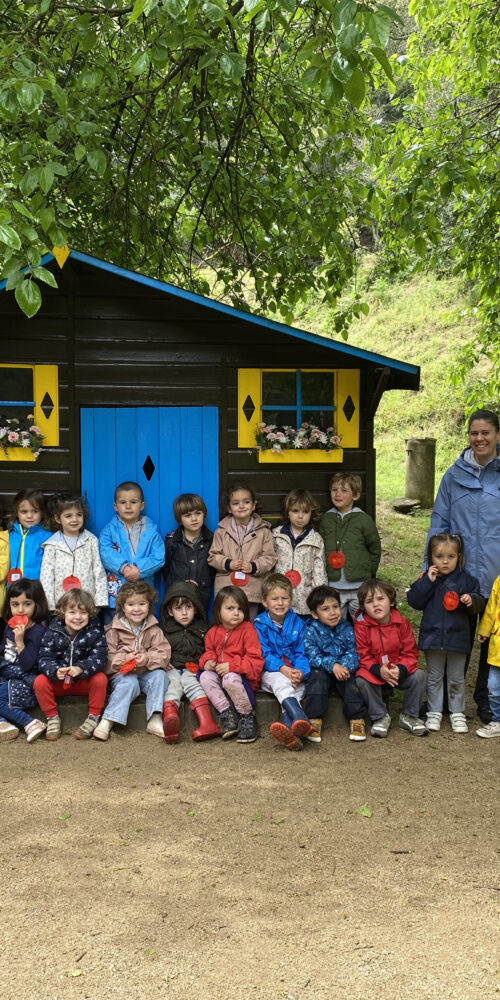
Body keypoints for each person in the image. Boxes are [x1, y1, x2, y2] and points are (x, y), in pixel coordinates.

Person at [425, 409, 500, 722]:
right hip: (460, 575)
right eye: (474, 433)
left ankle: (487, 701)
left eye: (485, 433)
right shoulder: (453, 476)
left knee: (494, 639)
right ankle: (445, 700)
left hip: (497, 575)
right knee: (457, 635)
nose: (479, 438)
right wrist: (428, 563)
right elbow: (439, 521)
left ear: (497, 435)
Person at [407, 533, 484, 733]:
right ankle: (434, 712)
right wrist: (427, 582)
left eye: (451, 556)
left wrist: (471, 600)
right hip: (433, 639)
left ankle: (457, 713)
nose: (445, 561)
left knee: (456, 678)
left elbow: (478, 603)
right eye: (439, 556)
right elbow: (414, 601)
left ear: (459, 557)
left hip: (457, 639)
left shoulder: (468, 581)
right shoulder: (427, 580)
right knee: (434, 677)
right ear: (430, 557)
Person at [93, 581, 171, 741]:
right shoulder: (113, 630)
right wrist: (124, 659)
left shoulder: (154, 629)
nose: (136, 609)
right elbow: (106, 659)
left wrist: (147, 659)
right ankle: (108, 719)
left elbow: (164, 653)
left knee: (160, 676)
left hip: (146, 672)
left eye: (142, 604)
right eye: (131, 604)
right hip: (123, 675)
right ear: (122, 607)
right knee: (129, 682)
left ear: (149, 606)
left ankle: (155, 717)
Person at [354, 578, 427, 738]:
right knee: (361, 680)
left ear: (392, 602)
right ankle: (380, 716)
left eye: (381, 599)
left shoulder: (402, 623)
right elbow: (363, 654)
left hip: (397, 671)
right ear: (363, 607)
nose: (376, 604)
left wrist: (400, 669)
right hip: (375, 672)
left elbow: (410, 652)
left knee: (419, 675)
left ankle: (409, 716)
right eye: (369, 601)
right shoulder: (361, 626)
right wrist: (378, 670)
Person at [35, 588, 108, 740]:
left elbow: (100, 657)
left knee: (100, 679)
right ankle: (52, 718)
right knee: (40, 681)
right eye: (72, 612)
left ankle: (93, 717)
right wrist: (55, 671)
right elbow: (44, 658)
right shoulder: (52, 632)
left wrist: (82, 668)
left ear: (90, 614)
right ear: (63, 612)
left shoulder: (95, 632)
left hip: (82, 681)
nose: (78, 617)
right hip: (59, 682)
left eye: (83, 612)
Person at [254, 572, 313, 751]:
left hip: (293, 672)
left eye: (285, 598)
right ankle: (300, 716)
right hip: (270, 673)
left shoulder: (299, 623)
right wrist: (282, 668)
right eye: (275, 599)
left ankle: (291, 733)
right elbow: (263, 654)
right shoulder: (259, 624)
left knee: (298, 688)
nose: (280, 603)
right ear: (265, 602)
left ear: (291, 600)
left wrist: (300, 672)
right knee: (281, 682)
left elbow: (302, 652)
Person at [199, 586, 263, 744]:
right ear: (218, 610)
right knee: (205, 677)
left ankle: (247, 716)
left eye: (240, 609)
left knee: (230, 678)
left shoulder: (248, 631)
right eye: (230, 608)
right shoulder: (213, 632)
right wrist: (208, 661)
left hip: (242, 679)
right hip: (221, 676)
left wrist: (232, 666)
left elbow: (255, 662)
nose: (236, 613)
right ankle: (228, 714)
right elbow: (209, 651)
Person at [303, 585, 366, 743]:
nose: (332, 612)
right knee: (316, 680)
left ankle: (357, 718)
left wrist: (344, 666)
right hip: (322, 669)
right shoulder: (311, 630)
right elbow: (312, 655)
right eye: (325, 609)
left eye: (335, 607)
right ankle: (314, 719)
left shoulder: (347, 627)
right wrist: (332, 665)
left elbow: (354, 651)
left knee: (351, 682)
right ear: (314, 614)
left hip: (343, 669)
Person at [159, 581, 220, 742]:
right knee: (172, 684)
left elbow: (211, 649)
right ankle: (170, 719)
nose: (184, 613)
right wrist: (162, 661)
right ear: (170, 611)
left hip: (194, 668)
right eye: (178, 608)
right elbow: (157, 648)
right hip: (172, 668)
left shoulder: (204, 628)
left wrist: (207, 661)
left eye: (188, 607)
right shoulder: (164, 630)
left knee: (190, 681)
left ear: (196, 608)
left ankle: (208, 723)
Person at [208, 482, 276, 620]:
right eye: (236, 503)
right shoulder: (221, 532)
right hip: (227, 589)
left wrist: (253, 566)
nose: (241, 506)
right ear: (229, 508)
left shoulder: (264, 532)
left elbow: (270, 557)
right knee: (227, 623)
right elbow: (212, 557)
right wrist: (228, 563)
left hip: (252, 590)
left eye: (246, 502)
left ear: (253, 505)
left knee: (248, 624)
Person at [320, 473, 381, 620]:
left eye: (344, 490)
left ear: (355, 495)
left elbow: (375, 548)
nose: (338, 494)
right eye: (334, 490)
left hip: (359, 585)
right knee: (335, 621)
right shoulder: (326, 519)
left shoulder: (363, 519)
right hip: (334, 585)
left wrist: (368, 573)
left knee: (361, 621)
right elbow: (320, 549)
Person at [99, 481, 164, 613]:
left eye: (133, 502)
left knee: (143, 620)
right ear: (115, 506)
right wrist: (123, 567)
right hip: (117, 591)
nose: (128, 506)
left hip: (143, 592)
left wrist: (139, 570)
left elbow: (158, 557)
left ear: (142, 505)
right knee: (115, 622)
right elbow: (105, 552)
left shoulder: (151, 531)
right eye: (123, 502)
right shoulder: (109, 530)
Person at [40, 493, 108, 611]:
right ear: (58, 519)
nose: (75, 519)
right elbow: (47, 577)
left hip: (87, 604)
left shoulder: (91, 540)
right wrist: (50, 606)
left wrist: (100, 601)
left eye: (79, 515)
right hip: (61, 605)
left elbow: (98, 571)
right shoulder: (52, 544)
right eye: (68, 516)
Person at [0, 578, 48, 743]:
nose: (20, 610)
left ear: (36, 605)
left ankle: (30, 723)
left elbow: (28, 665)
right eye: (15, 604)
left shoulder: (38, 631)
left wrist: (20, 642)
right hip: (6, 677)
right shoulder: (9, 626)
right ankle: (3, 724)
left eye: (27, 604)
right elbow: (4, 651)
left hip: (25, 682)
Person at [272, 489, 327, 616]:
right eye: (295, 511)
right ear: (287, 512)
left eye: (305, 512)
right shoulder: (276, 535)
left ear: (311, 513)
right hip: (279, 598)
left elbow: (319, 572)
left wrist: (318, 599)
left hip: (304, 600)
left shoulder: (316, 540)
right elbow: (269, 565)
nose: (300, 516)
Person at [162, 493, 215, 611]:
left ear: (204, 514)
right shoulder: (172, 542)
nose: (194, 519)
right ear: (179, 518)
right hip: (176, 595)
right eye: (187, 515)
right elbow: (166, 568)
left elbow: (213, 569)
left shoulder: (212, 540)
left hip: (202, 595)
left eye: (198, 513)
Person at [8, 488, 51, 584]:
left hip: (36, 588)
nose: (29, 516)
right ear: (17, 513)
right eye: (24, 511)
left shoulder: (48, 538)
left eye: (35, 511)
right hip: (13, 588)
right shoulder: (10, 536)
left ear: (42, 513)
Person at [476, 574, 500, 738]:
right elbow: (491, 608)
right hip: (497, 648)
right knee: (493, 687)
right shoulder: (499, 580)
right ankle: (497, 720)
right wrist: (485, 630)